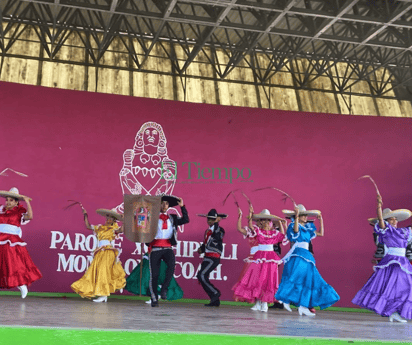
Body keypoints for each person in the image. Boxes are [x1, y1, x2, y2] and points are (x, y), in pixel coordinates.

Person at [352, 195, 412, 322]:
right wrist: (379, 206)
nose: (395, 221)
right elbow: (380, 220)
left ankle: (395, 312)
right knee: (395, 287)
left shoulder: (403, 232)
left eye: (395, 219)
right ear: (386, 221)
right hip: (393, 262)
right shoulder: (386, 230)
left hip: (403, 262)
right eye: (391, 219)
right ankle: (394, 312)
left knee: (405, 288)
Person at [275, 204, 340, 316]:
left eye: (305, 215)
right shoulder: (293, 226)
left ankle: (303, 306)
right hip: (298, 255)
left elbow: (320, 233)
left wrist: (321, 221)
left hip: (307, 255)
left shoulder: (308, 228)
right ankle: (286, 299)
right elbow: (295, 232)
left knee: (310, 280)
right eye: (303, 215)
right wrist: (296, 216)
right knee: (297, 278)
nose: (305, 217)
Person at [232, 209, 286, 312]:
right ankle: (258, 302)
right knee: (257, 279)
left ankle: (264, 303)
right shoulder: (258, 231)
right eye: (264, 221)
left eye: (268, 221)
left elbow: (283, 237)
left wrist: (281, 223)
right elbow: (246, 228)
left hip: (270, 258)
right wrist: (243, 217)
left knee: (269, 280)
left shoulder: (274, 233)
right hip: (259, 256)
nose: (267, 223)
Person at [71, 208, 126, 302]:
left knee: (103, 271)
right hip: (99, 252)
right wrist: (85, 215)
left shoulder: (114, 228)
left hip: (108, 251)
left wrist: (124, 221)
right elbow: (88, 226)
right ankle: (102, 293)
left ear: (113, 220)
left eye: (110, 217)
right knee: (95, 271)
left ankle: (104, 294)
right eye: (107, 217)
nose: (108, 219)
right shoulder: (100, 227)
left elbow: (121, 230)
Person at [0, 187, 42, 298]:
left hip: (11, 241)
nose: (8, 202)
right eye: (7, 200)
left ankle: (21, 284)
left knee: (13, 264)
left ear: (16, 202)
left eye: (11, 200)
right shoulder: (1, 209)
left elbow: (30, 216)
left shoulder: (20, 212)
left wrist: (27, 201)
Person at [148, 195, 189, 307]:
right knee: (154, 275)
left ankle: (164, 289)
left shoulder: (172, 218)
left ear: (169, 206)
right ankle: (154, 298)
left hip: (168, 248)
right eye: (162, 203)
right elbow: (141, 227)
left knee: (171, 268)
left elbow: (186, 220)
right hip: (155, 248)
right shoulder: (152, 218)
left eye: (166, 203)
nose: (164, 205)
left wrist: (182, 207)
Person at [197, 209, 227, 307]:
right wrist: (201, 249)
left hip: (214, 257)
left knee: (202, 275)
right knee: (201, 276)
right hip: (207, 256)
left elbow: (217, 237)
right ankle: (215, 300)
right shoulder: (208, 231)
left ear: (216, 220)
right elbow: (206, 243)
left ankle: (215, 293)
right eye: (209, 219)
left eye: (212, 219)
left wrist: (217, 223)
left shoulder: (220, 229)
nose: (210, 221)